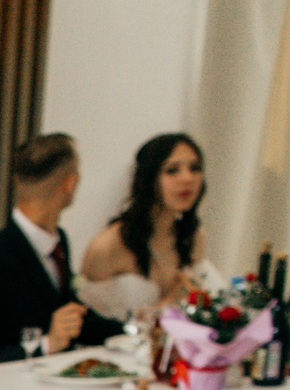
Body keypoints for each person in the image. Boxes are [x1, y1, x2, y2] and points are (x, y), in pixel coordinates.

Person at [0, 133, 122, 370]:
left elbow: (71, 316)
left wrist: (132, 331)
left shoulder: (58, 242)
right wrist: (47, 345)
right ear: (70, 183)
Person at [77, 133, 220, 322]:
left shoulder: (193, 238)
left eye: (194, 168)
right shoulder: (107, 246)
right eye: (172, 170)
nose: (187, 178)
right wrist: (168, 303)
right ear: (149, 178)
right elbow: (89, 326)